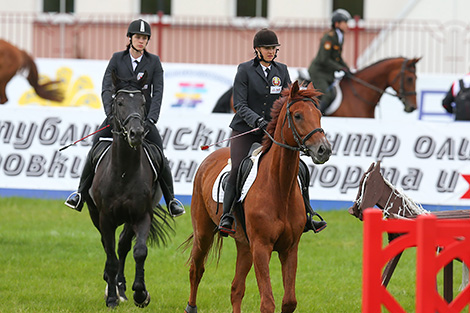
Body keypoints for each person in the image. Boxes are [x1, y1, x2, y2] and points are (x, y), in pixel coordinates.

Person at [65, 19, 185, 217]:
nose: (141, 41)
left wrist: (151, 120)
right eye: (138, 37)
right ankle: (79, 194)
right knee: (95, 148)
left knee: (160, 156)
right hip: (117, 118)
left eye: (145, 38)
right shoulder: (117, 59)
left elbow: (158, 93)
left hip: (142, 121)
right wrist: (110, 115)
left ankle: (171, 200)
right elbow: (105, 87)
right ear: (130, 38)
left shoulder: (153, 62)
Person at [218, 28, 327, 236]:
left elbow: (286, 101)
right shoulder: (244, 70)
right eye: (267, 48)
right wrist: (257, 120)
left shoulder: (282, 70)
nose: (271, 52)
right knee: (239, 167)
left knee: (300, 168)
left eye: (273, 48)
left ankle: (307, 213)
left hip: (272, 131)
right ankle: (227, 216)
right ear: (257, 50)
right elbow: (240, 105)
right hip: (246, 129)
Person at [308, 8, 352, 112]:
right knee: (326, 95)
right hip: (319, 72)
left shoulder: (340, 37)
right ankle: (317, 118)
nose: (347, 25)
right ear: (336, 24)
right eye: (344, 22)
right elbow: (324, 59)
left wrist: (347, 68)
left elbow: (337, 57)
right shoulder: (329, 37)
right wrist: (340, 68)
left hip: (328, 73)